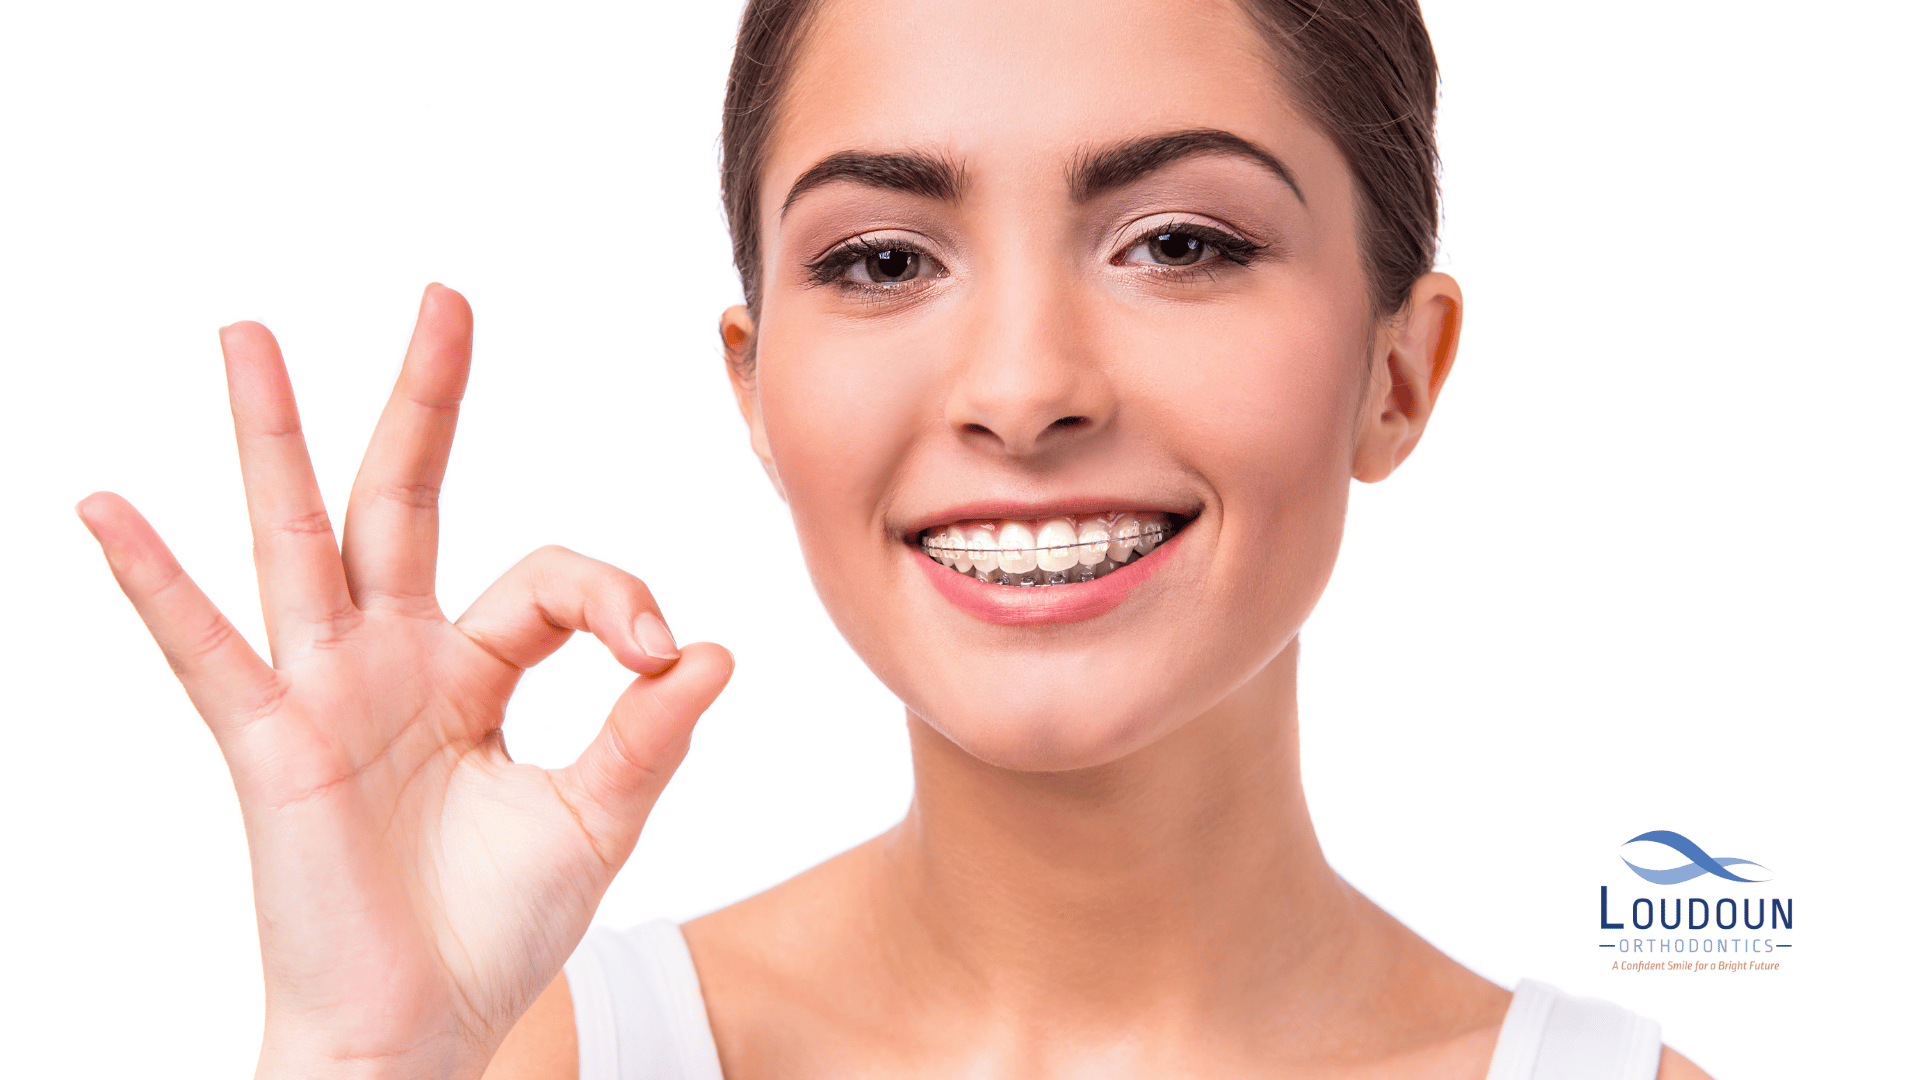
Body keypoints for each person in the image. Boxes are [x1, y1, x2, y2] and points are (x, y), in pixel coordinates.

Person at [77, 0, 1713, 1077]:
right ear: (759, 388)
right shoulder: (546, 1057)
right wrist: (357, 1058)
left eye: (1179, 240)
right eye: (878, 262)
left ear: (1398, 374)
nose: (1020, 390)